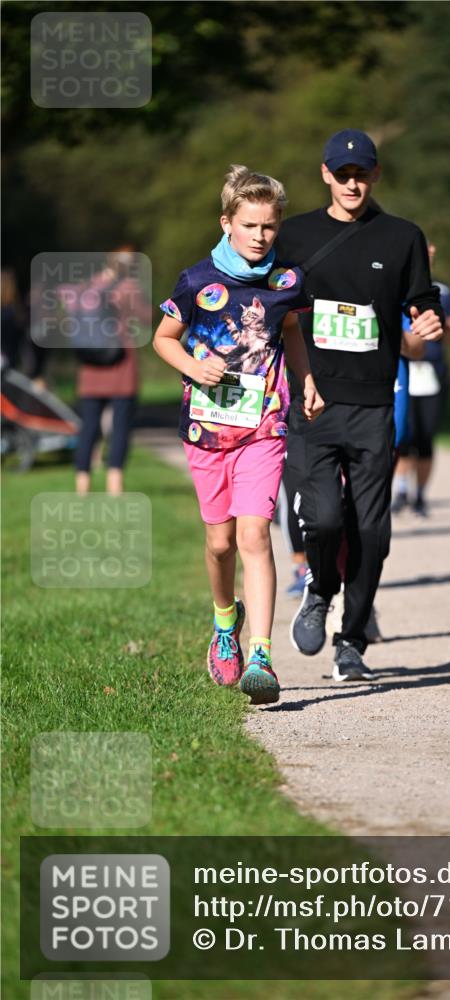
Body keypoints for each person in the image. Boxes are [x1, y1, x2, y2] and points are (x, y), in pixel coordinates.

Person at [275, 129, 444, 682]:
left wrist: (426, 323)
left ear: (374, 175)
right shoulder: (294, 234)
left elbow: (421, 308)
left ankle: (351, 640)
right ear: (325, 173)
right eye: (342, 173)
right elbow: (267, 301)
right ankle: (320, 590)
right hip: (312, 400)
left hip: (375, 401)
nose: (352, 182)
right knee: (323, 518)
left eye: (362, 173)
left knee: (372, 531)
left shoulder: (402, 237)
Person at [153, 165, 323, 705]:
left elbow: (291, 331)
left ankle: (261, 655)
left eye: (269, 227)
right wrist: (192, 366)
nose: (260, 236)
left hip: (264, 426)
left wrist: (308, 378)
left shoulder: (287, 282)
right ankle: (225, 622)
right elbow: (162, 338)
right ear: (227, 223)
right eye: (249, 225)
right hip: (206, 429)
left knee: (254, 535)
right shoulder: (197, 279)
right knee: (220, 541)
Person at [72, 247, 150, 496]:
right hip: (120, 365)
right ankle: (114, 485)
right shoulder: (128, 288)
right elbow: (147, 317)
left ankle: (82, 485)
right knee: (120, 427)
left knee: (89, 426)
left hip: (91, 367)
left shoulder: (86, 288)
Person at [392, 243, 450, 516]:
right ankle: (399, 490)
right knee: (402, 433)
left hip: (431, 368)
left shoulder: (443, 292)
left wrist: (442, 324)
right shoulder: (394, 286)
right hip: (402, 367)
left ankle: (419, 495)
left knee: (424, 435)